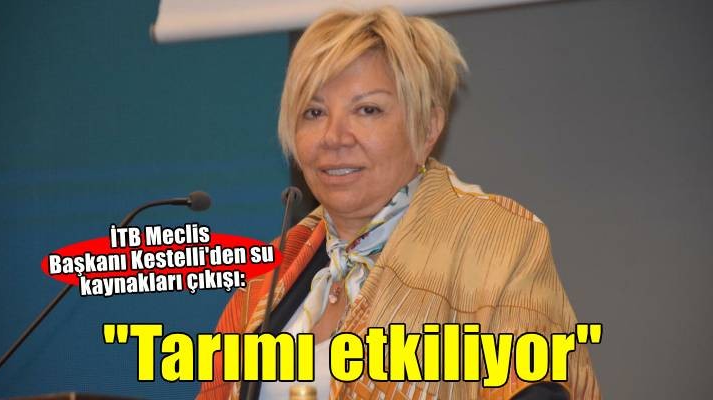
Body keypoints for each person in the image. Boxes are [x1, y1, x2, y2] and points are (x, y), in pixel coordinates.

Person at [199, 6, 599, 400]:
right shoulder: (270, 277)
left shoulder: (496, 243)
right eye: (314, 112)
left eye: (367, 110)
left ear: (427, 128)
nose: (334, 137)